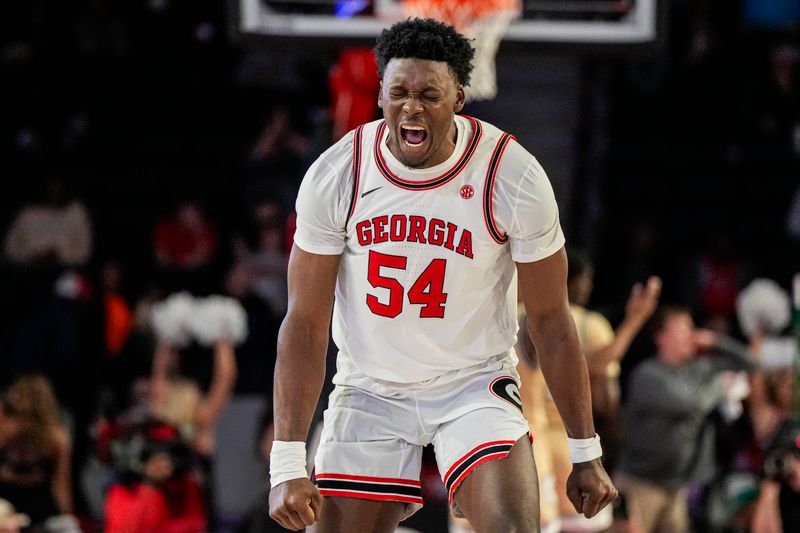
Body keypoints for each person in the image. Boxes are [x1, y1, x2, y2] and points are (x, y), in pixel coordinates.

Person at [268, 17, 616, 533]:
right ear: (381, 95)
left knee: (514, 527)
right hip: (371, 386)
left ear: (458, 98)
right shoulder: (337, 174)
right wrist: (287, 462)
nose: (412, 106)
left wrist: (586, 450)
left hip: (472, 384)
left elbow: (550, 319)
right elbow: (304, 323)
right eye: (399, 92)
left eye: (429, 94)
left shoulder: (511, 174)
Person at [615, 306, 757, 533]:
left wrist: (714, 340)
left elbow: (751, 362)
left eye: (691, 328)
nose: (690, 335)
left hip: (675, 486)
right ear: (660, 338)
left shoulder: (696, 370)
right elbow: (693, 404)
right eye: (681, 329)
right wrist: (721, 385)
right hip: (641, 484)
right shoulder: (647, 374)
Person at [0, 374, 75, 529]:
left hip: (40, 507)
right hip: (5, 501)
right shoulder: (5, 430)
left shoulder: (56, 438)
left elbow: (61, 485)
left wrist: (67, 518)